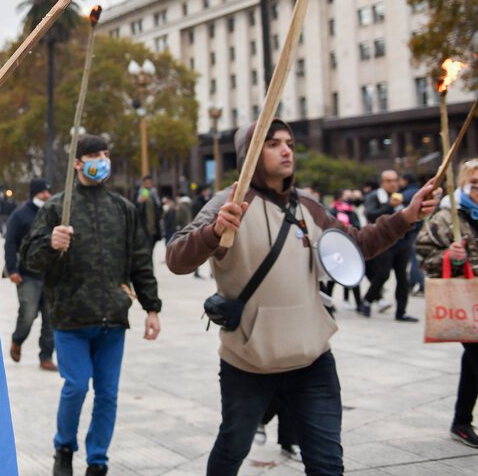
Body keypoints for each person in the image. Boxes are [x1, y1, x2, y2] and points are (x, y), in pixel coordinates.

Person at [165, 119, 439, 475]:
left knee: (327, 463)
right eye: (273, 143)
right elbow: (175, 258)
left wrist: (406, 217)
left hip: (312, 359)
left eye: (290, 143)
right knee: (233, 449)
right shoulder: (228, 202)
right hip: (249, 361)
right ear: (249, 153)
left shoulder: (308, 206)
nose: (286, 150)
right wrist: (214, 231)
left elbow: (355, 245)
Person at [21, 134, 162, 476]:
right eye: (94, 154)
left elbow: (140, 261)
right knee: (77, 386)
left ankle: (98, 459)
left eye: (104, 153)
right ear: (78, 163)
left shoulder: (123, 209)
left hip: (113, 318)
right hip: (71, 318)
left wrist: (152, 307)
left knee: (108, 394)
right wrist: (52, 243)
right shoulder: (58, 207)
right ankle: (64, 447)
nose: (102, 159)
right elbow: (30, 257)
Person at [416, 155, 478, 450]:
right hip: (470, 305)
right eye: (475, 183)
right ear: (463, 184)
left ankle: (461, 422)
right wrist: (449, 258)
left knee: (475, 364)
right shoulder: (447, 217)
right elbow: (424, 258)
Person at [5, 178, 56, 371]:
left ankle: (46, 356)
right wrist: (12, 269)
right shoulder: (19, 215)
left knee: (50, 317)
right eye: (43, 192)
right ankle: (18, 339)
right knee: (28, 313)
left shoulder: (53, 213)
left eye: (48, 192)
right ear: (35, 193)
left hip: (50, 274)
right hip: (27, 274)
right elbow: (10, 243)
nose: (46, 195)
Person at [362, 170, 419, 321]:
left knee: (402, 277)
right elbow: (371, 215)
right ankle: (368, 300)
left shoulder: (403, 197)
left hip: (403, 242)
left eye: (395, 180)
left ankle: (401, 311)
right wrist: (388, 205)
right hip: (383, 242)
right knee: (383, 274)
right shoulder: (374, 196)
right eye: (389, 181)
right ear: (382, 182)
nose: (393, 183)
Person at [401, 172, 426, 295]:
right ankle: (412, 283)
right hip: (419, 227)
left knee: (414, 259)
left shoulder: (404, 194)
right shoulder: (419, 192)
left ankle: (420, 284)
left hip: (409, 230)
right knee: (415, 257)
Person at [136, 175, 163, 252]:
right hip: (144, 227)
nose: (148, 185)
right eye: (146, 183)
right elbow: (136, 208)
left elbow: (159, 210)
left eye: (150, 183)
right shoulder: (140, 193)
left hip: (153, 227)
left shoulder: (154, 194)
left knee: (151, 247)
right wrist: (140, 202)